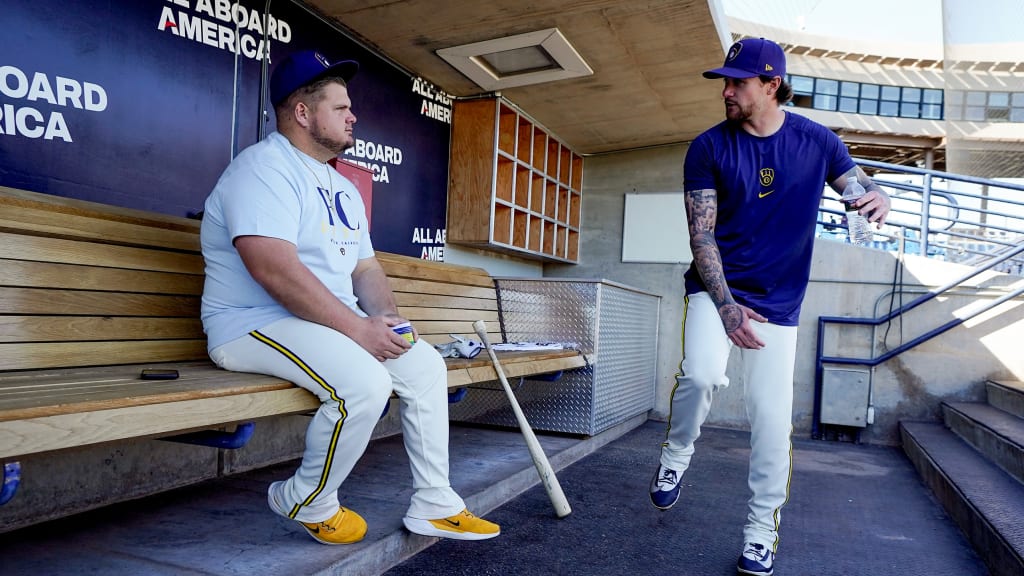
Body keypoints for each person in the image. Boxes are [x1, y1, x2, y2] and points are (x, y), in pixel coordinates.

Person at [199, 50, 499, 544]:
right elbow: (272, 269)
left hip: (317, 326)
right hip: (250, 323)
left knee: (423, 364)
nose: (353, 115)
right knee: (363, 382)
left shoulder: (341, 185)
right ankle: (305, 497)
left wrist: (387, 321)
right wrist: (359, 330)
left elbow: (365, 267)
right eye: (340, 107)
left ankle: (435, 503)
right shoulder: (262, 168)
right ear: (302, 112)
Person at [648, 38, 889, 575]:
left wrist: (877, 196)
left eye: (737, 82)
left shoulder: (818, 142)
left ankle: (760, 534)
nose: (726, 91)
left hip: (780, 303)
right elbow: (701, 237)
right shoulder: (708, 147)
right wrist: (729, 307)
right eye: (725, 82)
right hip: (718, 290)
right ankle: (676, 454)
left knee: (772, 421)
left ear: (771, 84)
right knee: (702, 374)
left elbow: (857, 185)